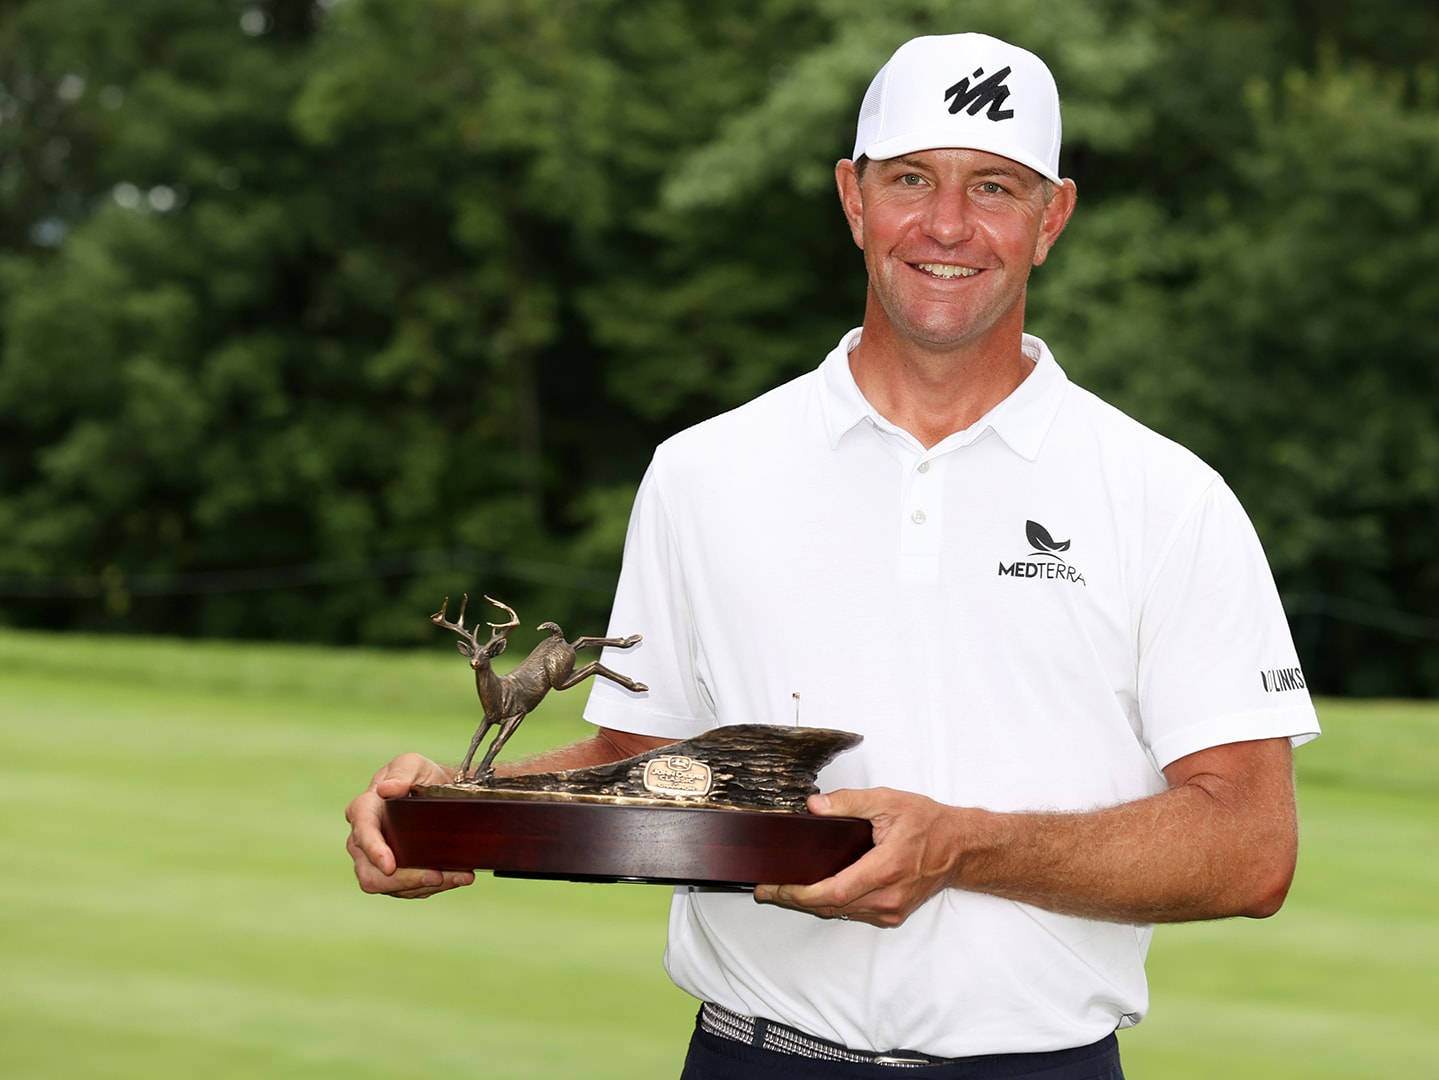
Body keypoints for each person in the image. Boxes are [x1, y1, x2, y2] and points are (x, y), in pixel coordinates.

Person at [346, 32, 1319, 1078]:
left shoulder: (1168, 497)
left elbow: (1250, 848)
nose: (948, 224)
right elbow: (640, 764)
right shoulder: (703, 471)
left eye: (994, 186)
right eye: (912, 179)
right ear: (854, 200)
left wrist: (964, 845)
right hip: (753, 1056)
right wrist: (461, 809)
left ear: (1054, 217)